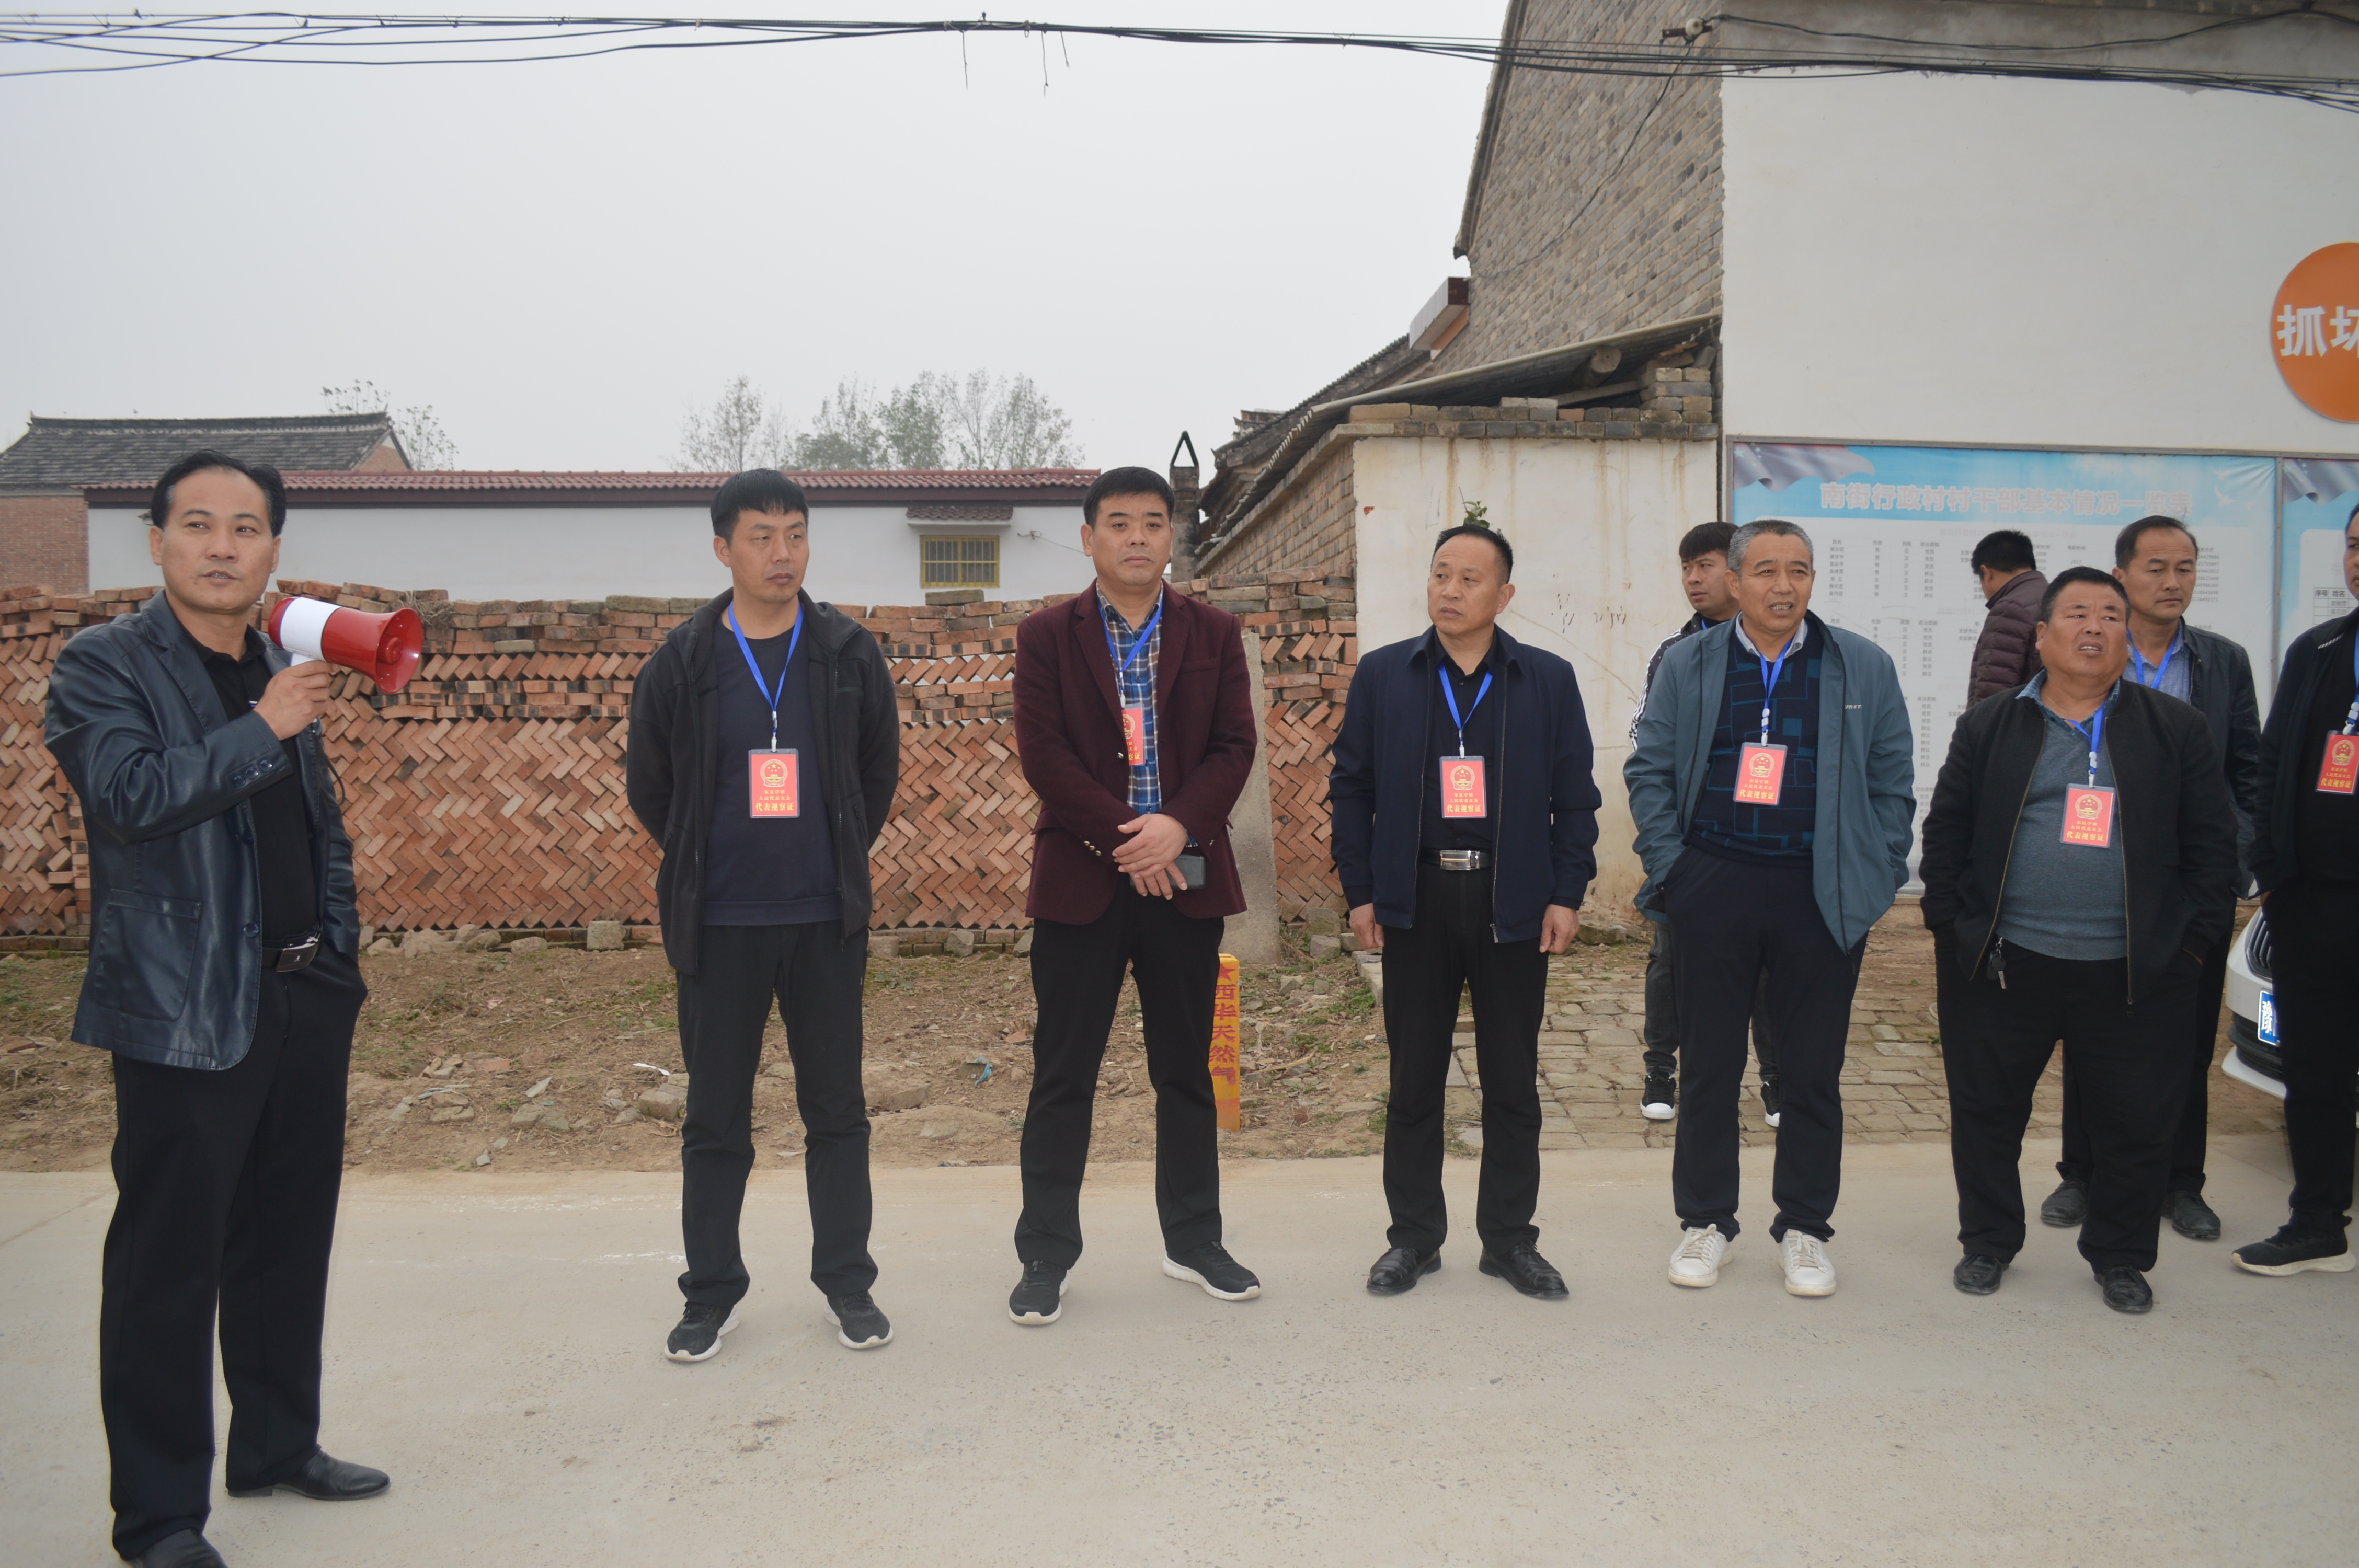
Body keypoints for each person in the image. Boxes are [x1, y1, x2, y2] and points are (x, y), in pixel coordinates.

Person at [46, 451, 384, 1568]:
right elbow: (128, 795)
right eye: (198, 524)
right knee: (168, 1264)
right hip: (185, 1007)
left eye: (246, 527)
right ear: (157, 541)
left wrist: (337, 959)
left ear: (274, 548)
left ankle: (278, 1446)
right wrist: (266, 727)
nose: (223, 546)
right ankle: (158, 1518)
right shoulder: (105, 664)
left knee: (288, 1240)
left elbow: (317, 829)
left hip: (302, 996)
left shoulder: (272, 663)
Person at [625, 469, 901, 1360]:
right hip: (720, 924)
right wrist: (702, 861)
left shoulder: (847, 651)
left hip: (824, 919)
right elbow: (651, 785)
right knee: (715, 1119)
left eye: (796, 534)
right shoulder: (682, 660)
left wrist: (835, 852)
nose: (782, 553)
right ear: (723, 549)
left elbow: (876, 774)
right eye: (761, 537)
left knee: (838, 1112)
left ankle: (848, 1284)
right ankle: (710, 1294)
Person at [1921, 567, 2237, 1313]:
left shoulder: (2175, 729)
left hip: (2134, 970)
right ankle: (1988, 1241)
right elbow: (1947, 835)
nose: (2094, 627)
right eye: (2077, 614)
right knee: (1988, 1116)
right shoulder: (1991, 725)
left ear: (2127, 637)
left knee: (2135, 1125)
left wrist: (2188, 951)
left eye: (2110, 616)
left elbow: (2213, 851)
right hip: (2006, 963)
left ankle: (2121, 1256)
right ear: (2041, 636)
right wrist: (1955, 930)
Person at [1625, 519, 1916, 1298]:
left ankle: (1806, 1229)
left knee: (1812, 1070)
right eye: (1765, 571)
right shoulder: (1688, 662)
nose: (1783, 586)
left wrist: (1877, 874)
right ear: (1735, 580)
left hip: (1820, 892)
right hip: (1712, 883)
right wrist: (1674, 869)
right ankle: (1706, 1222)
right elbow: (1650, 769)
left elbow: (1892, 781)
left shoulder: (1861, 664)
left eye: (1799, 570)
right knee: (1710, 1064)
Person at [1005, 466, 1262, 1324]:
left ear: (1171, 535)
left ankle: (1194, 1241)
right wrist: (1133, 839)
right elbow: (1044, 756)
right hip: (1082, 881)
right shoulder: (1047, 637)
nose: (1137, 537)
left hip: (1184, 879)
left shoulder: (1213, 632)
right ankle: (1045, 1253)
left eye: (1153, 522)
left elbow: (1233, 747)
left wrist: (1176, 828)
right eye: (1118, 523)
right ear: (1089, 538)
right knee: (1062, 1074)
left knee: (1185, 1072)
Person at [1331, 523, 1601, 1300]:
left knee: (1511, 1082)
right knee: (1414, 1080)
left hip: (1510, 902)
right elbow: (1351, 788)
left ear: (1504, 595)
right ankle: (1413, 1240)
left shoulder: (1545, 679)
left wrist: (1566, 893)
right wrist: (1361, 891)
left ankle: (1510, 1241)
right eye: (1440, 574)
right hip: (1414, 899)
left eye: (1469, 579)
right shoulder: (1386, 674)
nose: (1450, 590)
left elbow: (1575, 799)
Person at [2038, 517, 2260, 1241]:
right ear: (2122, 575)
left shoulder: (2220, 662)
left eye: (2185, 568)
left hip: (2187, 883)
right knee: (2090, 1030)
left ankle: (2181, 1181)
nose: (2172, 582)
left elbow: (2247, 770)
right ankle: (2082, 1173)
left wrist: (2232, 862)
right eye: (2156, 567)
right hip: (2101, 874)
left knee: (2185, 1040)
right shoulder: (2088, 651)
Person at [2231, 499, 2359, 1279]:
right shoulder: (2320, 648)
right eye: (2355, 545)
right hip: (2315, 902)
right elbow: (2271, 762)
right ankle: (2318, 1223)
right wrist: (2272, 872)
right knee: (2315, 1070)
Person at [1629, 520, 1780, 1127]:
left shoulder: (1783, 648)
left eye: (1706, 565)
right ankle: (1661, 1071)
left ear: (1738, 573)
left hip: (1768, 842)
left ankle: (1776, 1078)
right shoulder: (1676, 653)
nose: (1694, 578)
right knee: (1672, 957)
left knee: (1768, 964)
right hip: (1693, 841)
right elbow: (1645, 740)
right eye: (1687, 567)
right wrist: (1668, 848)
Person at [1967, 529, 2046, 704]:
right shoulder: (2054, 597)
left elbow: (1992, 692)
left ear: (1987, 573)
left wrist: (1977, 721)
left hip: (2016, 719)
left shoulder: (2009, 609)